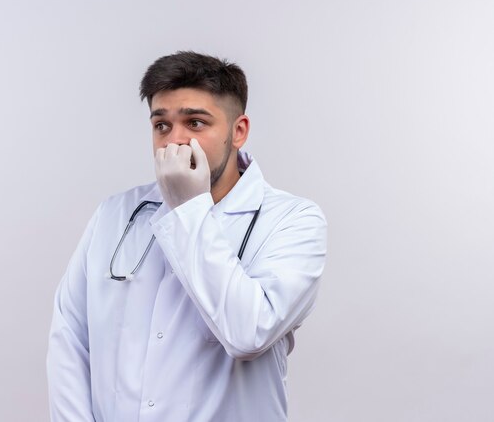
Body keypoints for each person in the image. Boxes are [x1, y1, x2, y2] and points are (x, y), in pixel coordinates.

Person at [47, 51, 327, 422]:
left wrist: (187, 209)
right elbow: (70, 340)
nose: (175, 141)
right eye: (161, 125)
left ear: (238, 131)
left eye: (195, 123)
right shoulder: (114, 215)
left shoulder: (293, 221)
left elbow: (249, 334)